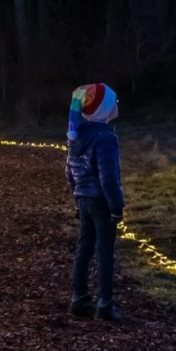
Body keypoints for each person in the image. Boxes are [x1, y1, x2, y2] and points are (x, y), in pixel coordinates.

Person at [65, 82, 125, 321]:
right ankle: (105, 304)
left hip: (83, 199)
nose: (117, 105)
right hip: (101, 202)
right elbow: (108, 177)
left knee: (84, 249)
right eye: (114, 102)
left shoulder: (76, 134)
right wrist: (116, 207)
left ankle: (79, 298)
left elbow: (69, 171)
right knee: (105, 252)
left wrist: (77, 195)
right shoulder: (106, 138)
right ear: (104, 109)